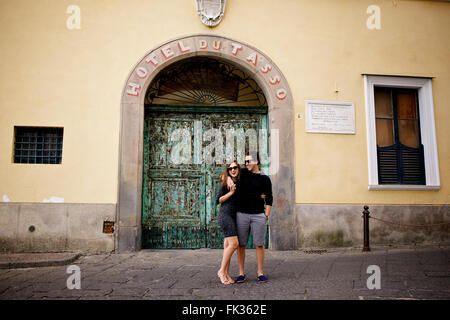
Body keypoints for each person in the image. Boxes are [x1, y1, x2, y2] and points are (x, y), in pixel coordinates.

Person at [228, 151, 273, 283]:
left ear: (257, 162)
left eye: (249, 161)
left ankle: (260, 273)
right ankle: (241, 273)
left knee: (259, 244)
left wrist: (266, 215)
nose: (246, 163)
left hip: (258, 215)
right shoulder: (241, 173)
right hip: (241, 214)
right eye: (245, 161)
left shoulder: (265, 179)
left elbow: (269, 198)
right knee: (241, 245)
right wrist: (228, 178)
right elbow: (228, 172)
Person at [215, 161, 240, 285]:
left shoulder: (239, 182)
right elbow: (218, 200)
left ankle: (226, 273)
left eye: (235, 168)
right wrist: (230, 193)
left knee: (227, 246)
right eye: (230, 169)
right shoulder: (226, 184)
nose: (233, 170)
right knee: (234, 244)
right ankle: (221, 271)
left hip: (234, 217)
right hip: (225, 216)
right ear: (228, 171)